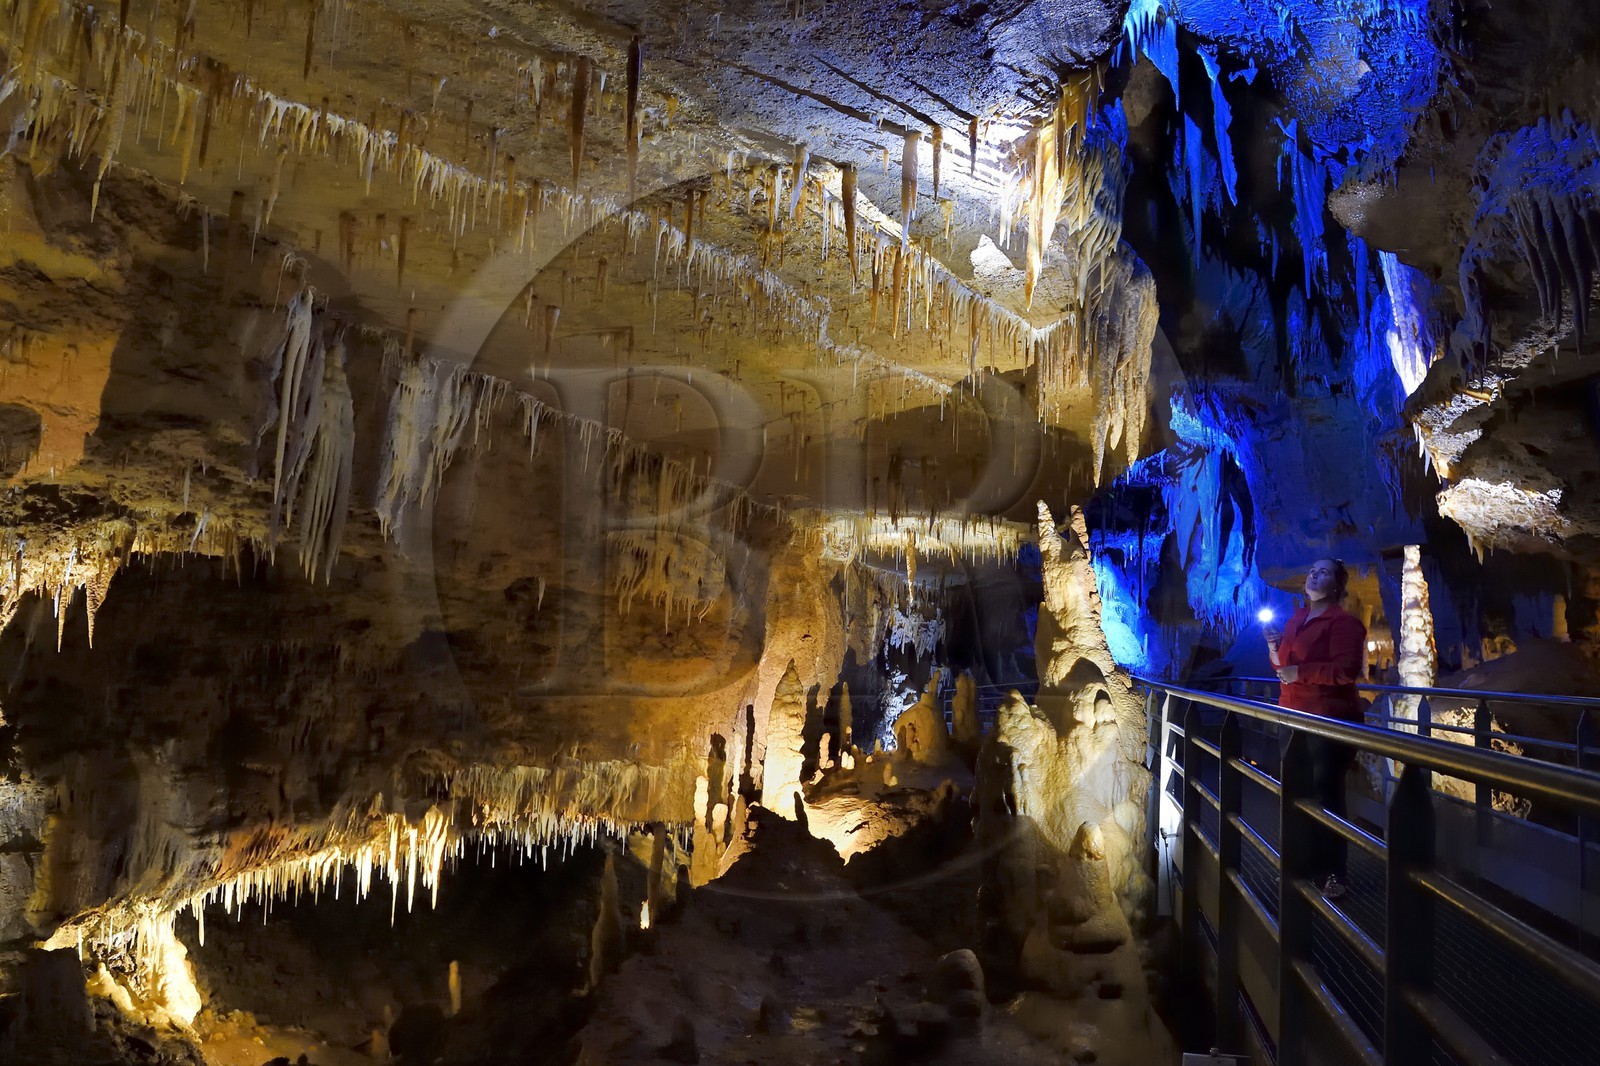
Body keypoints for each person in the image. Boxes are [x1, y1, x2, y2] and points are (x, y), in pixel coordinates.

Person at [1262, 558, 1366, 900]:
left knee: (1327, 796)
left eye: (1322, 571)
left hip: (1328, 720)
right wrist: (1274, 647)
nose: (1313, 574)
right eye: (1311, 569)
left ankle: (1334, 874)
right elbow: (1283, 669)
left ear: (1336, 585)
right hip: (1291, 716)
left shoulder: (1345, 623)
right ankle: (1300, 866)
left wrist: (1299, 674)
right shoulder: (1296, 620)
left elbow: (1346, 671)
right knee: (1295, 793)